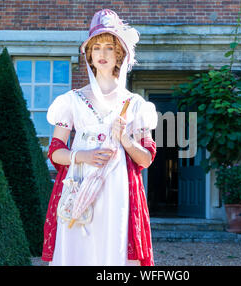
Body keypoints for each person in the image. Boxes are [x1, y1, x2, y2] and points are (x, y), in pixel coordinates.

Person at [41, 9, 158, 266]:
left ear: (120, 55)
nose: (102, 54)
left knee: (112, 249)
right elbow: (55, 151)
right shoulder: (71, 101)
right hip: (79, 184)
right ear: (89, 57)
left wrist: (125, 139)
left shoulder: (136, 104)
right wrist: (83, 156)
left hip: (118, 190)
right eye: (96, 48)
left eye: (109, 47)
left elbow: (147, 158)